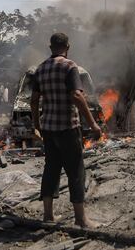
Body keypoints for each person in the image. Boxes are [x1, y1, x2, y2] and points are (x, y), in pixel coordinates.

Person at [30, 32, 101, 228]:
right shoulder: (70, 66)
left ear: (50, 47)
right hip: (68, 128)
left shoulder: (40, 69)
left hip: (49, 129)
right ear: (67, 47)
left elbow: (34, 100)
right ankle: (81, 219)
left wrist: (37, 125)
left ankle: (48, 216)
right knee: (76, 171)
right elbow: (77, 96)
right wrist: (93, 124)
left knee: (51, 169)